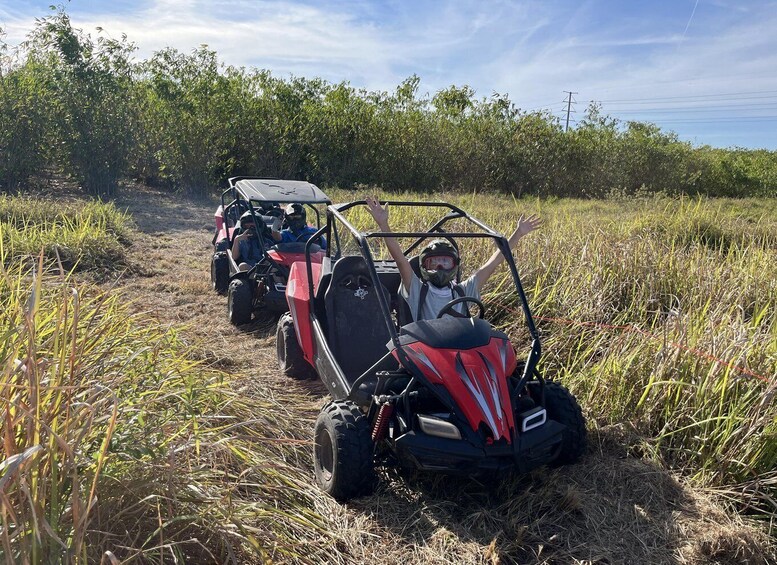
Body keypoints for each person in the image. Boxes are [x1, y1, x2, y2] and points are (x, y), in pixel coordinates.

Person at [365, 196, 541, 321]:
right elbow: (400, 260)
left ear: (454, 265)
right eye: (434, 262)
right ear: (424, 266)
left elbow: (493, 263)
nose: (440, 266)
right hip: (427, 354)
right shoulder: (417, 289)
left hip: (459, 352)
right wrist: (383, 225)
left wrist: (517, 235)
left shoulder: (463, 291)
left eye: (445, 262)